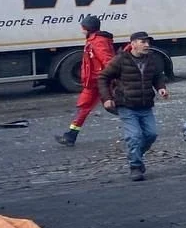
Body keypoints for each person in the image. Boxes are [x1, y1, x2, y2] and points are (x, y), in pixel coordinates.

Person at [97, 31, 168, 181]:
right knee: (134, 136)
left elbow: (157, 76)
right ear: (133, 44)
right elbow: (103, 77)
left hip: (145, 105)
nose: (147, 45)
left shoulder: (152, 59)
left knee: (151, 134)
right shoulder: (120, 60)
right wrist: (107, 98)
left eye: (148, 42)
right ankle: (135, 166)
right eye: (143, 42)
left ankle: (135, 156)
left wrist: (161, 87)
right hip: (126, 105)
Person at [55, 16, 116, 146]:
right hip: (95, 82)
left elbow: (108, 61)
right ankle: (71, 136)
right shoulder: (94, 40)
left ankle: (137, 124)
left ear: (87, 28)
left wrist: (111, 78)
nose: (81, 31)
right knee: (85, 108)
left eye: (82, 28)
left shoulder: (97, 41)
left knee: (93, 107)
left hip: (98, 82)